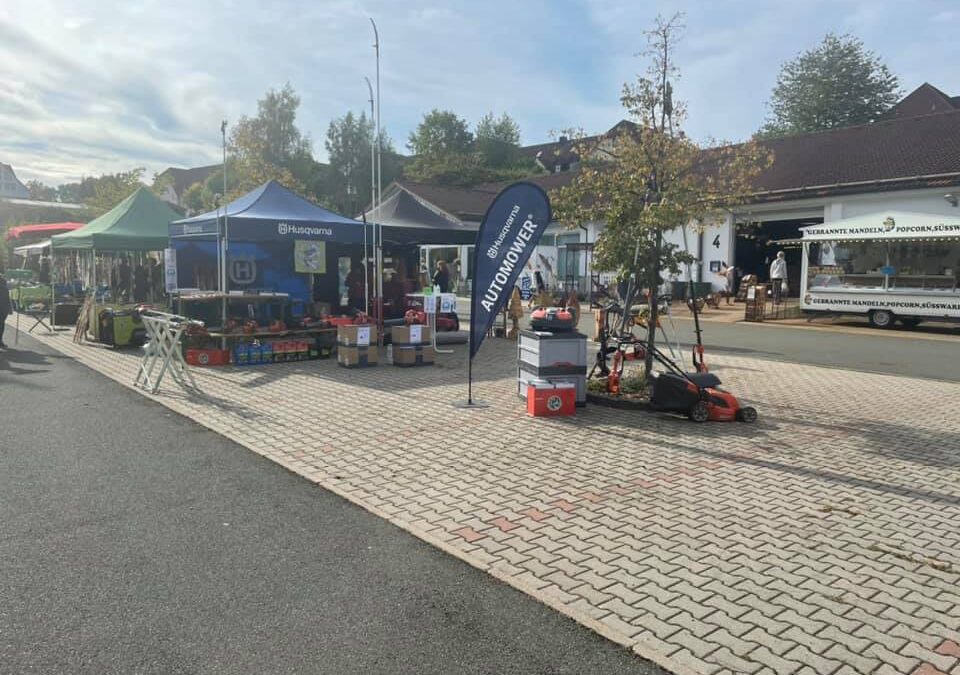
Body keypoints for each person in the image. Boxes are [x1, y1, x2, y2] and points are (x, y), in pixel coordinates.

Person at [0, 272, 11, 349]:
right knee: (1, 324)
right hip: (3, 307)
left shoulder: (4, 282)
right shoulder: (4, 283)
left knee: (2, 324)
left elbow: (7, 297)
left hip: (4, 307)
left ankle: (0, 341)